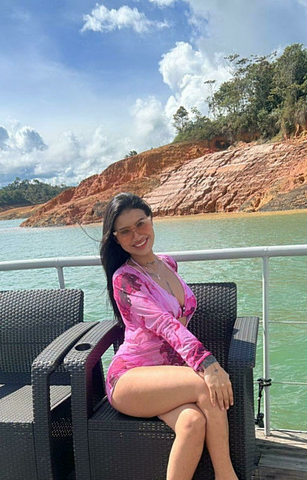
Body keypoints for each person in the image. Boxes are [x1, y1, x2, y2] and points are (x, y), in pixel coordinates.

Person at [99, 192, 239, 480]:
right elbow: (164, 323)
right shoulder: (125, 279)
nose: (137, 235)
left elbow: (179, 314)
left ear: (151, 220)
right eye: (125, 231)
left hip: (168, 376)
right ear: (116, 238)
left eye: (141, 224)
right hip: (130, 377)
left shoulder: (168, 263)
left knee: (192, 422)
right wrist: (208, 364)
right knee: (206, 385)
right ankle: (227, 476)